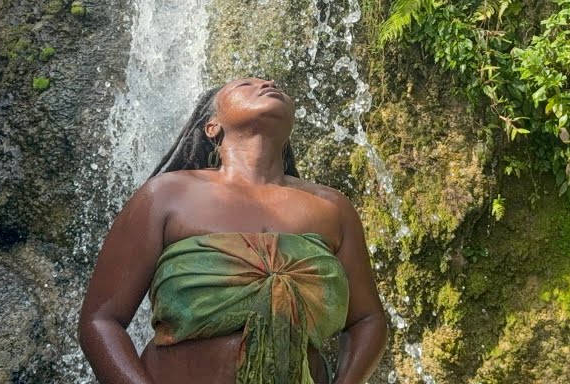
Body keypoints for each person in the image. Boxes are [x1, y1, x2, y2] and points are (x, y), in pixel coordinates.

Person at [78, 77, 388, 384]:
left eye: (275, 84)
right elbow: (101, 320)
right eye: (245, 85)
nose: (268, 83)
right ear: (212, 126)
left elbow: (367, 319)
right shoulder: (164, 196)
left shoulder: (333, 208)